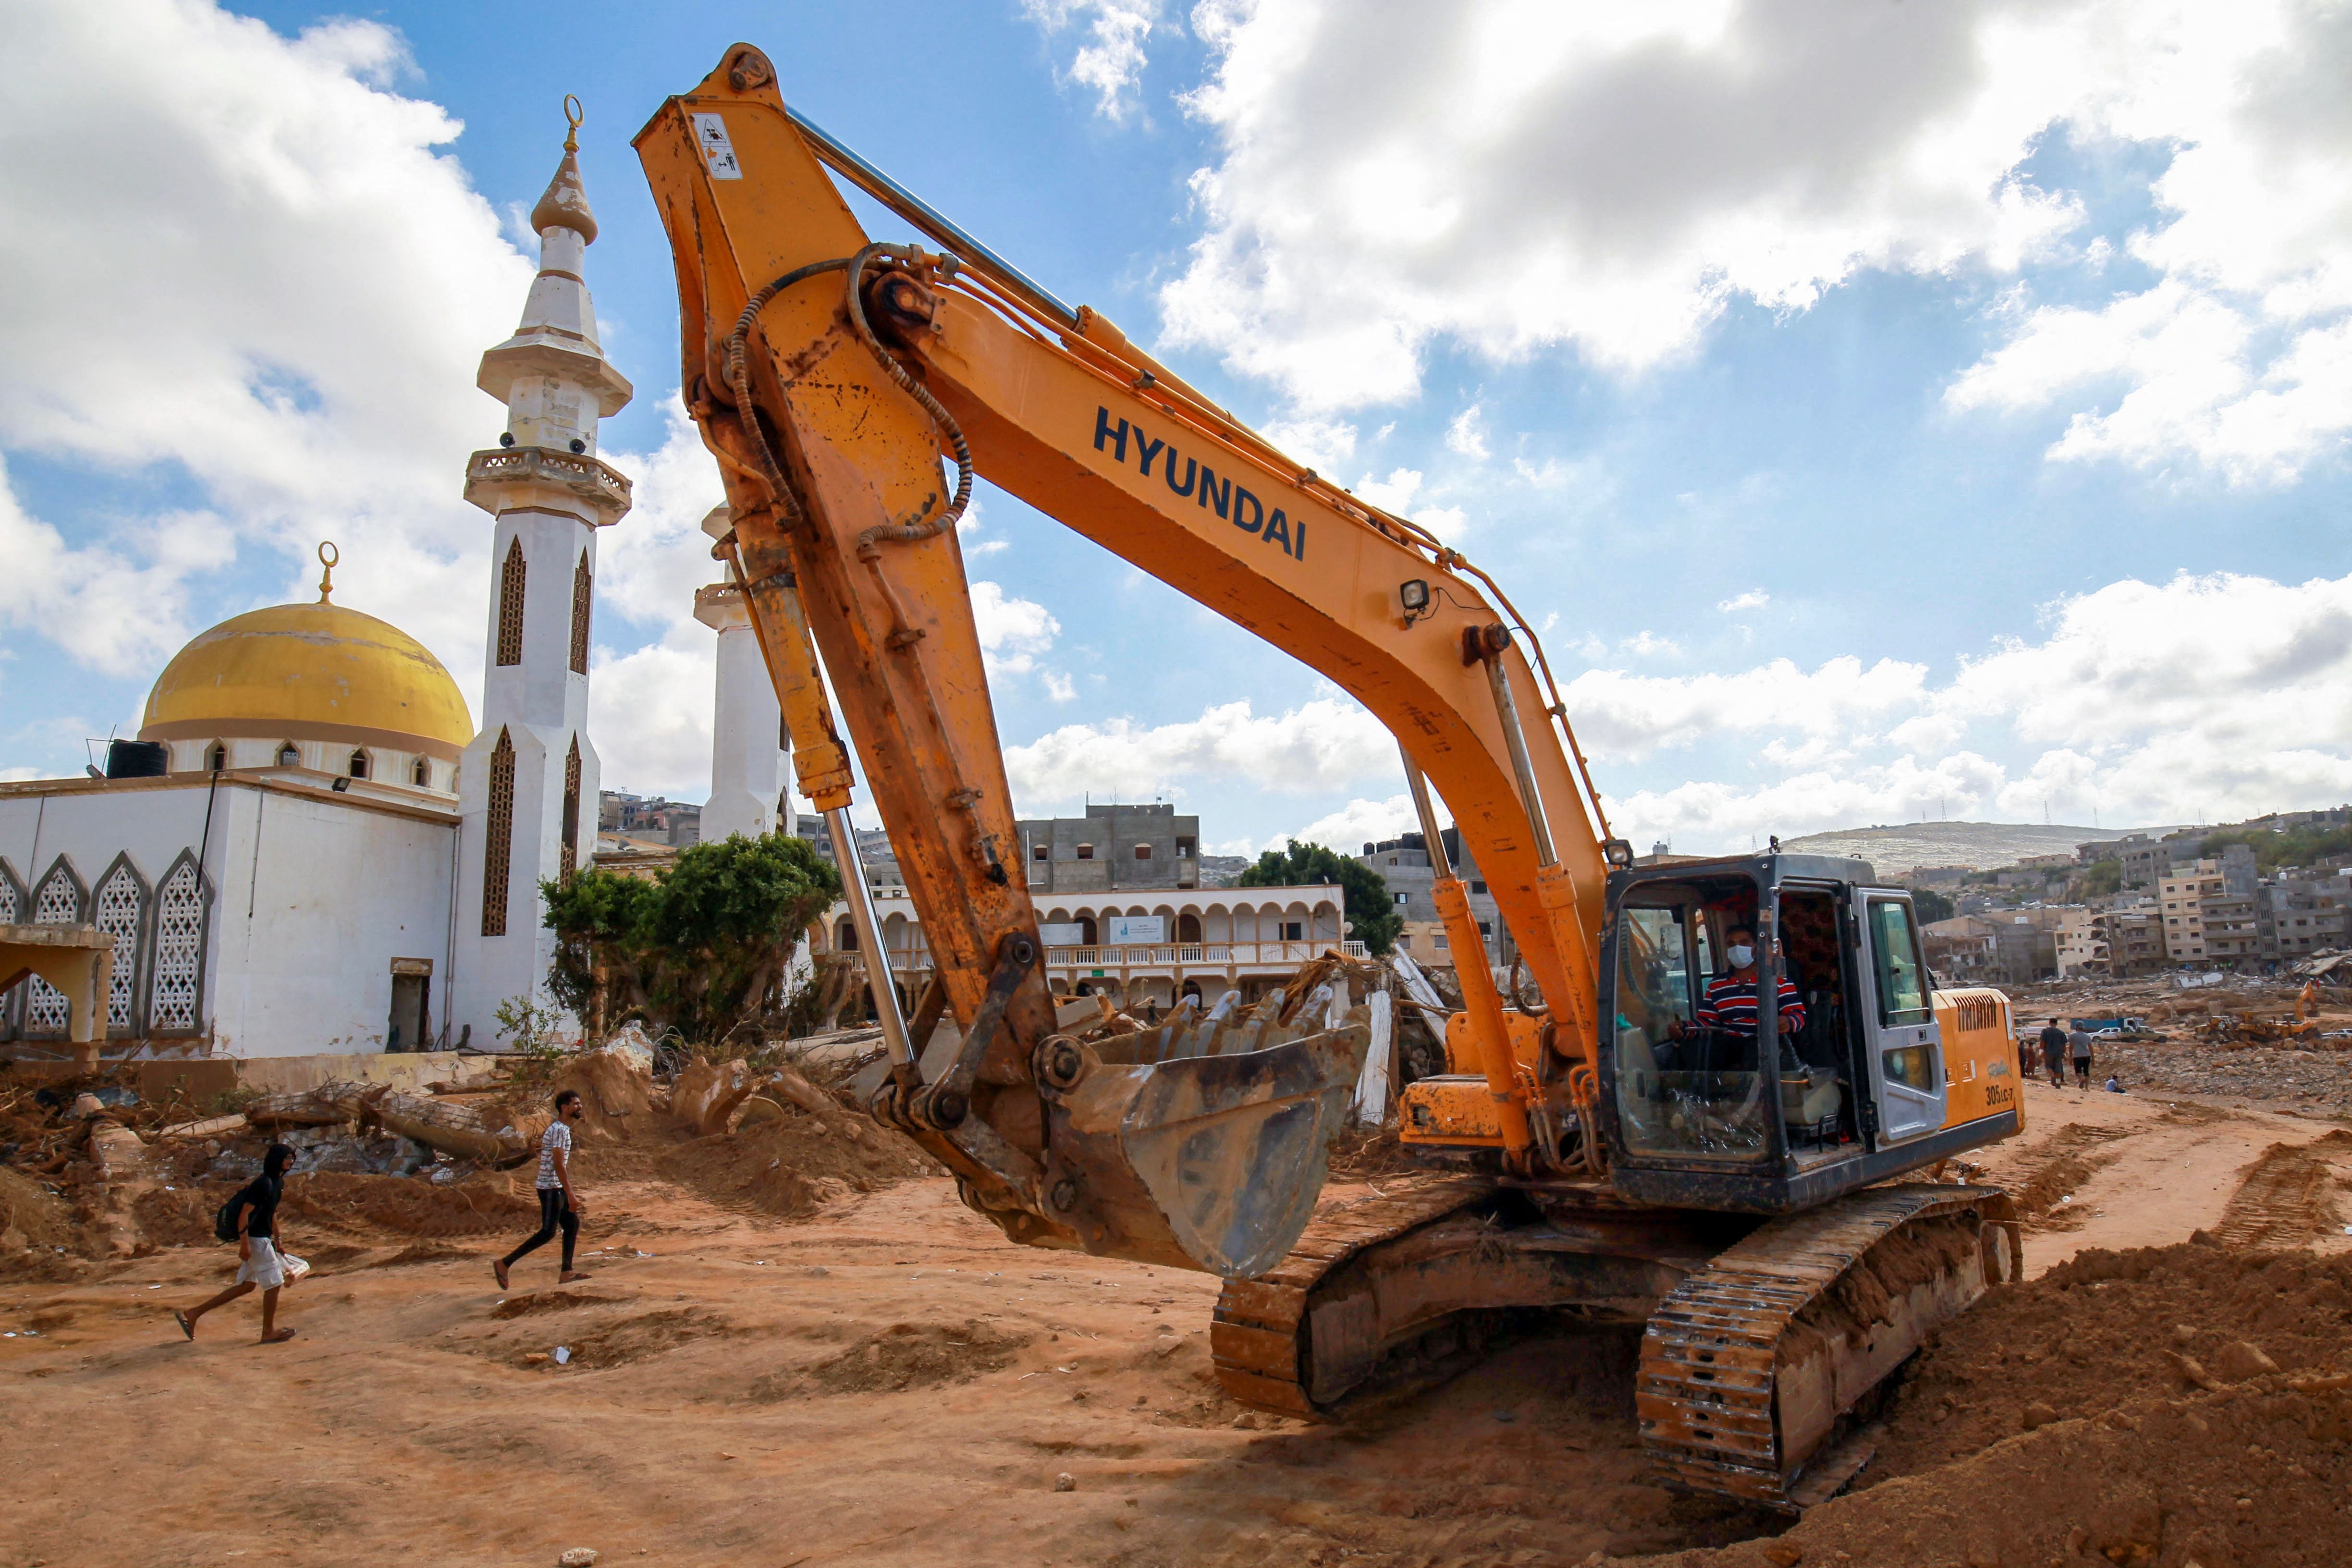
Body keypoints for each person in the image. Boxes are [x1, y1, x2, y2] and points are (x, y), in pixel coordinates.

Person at [174, 1142, 304, 1344]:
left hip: (262, 1240)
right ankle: (268, 1332)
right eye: (287, 1158)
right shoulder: (264, 1184)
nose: (291, 1161)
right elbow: (244, 1215)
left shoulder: (277, 1183)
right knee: (275, 1284)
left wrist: (278, 1240)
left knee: (246, 1286)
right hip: (255, 1240)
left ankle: (193, 1314)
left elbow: (271, 1213)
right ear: (276, 1159)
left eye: (292, 1158)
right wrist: (245, 1245)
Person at [1671, 925, 1805, 1074]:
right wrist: (1683, 1028)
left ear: (1756, 947)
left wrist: (1787, 1022)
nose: (1737, 948)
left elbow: (1798, 1014)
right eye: (1731, 944)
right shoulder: (1718, 984)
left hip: (1764, 1043)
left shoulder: (1777, 980)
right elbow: (1706, 1022)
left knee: (1755, 1054)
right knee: (1694, 1052)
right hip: (1729, 1043)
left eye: (1744, 942)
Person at [494, 1090, 590, 1290]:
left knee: (572, 1224)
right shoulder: (558, 1130)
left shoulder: (562, 1128)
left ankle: (566, 1272)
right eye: (575, 1104)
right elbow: (558, 1164)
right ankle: (505, 1264)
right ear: (564, 1108)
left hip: (556, 1187)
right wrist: (570, 1194)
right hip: (550, 1188)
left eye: (579, 1104)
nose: (579, 1107)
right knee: (548, 1232)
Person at [2036, 1018, 2066, 1085]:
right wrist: (2064, 1053)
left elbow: (2042, 1042)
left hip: (2048, 1052)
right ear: (2057, 1024)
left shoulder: (2045, 1031)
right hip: (2059, 1052)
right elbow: (2064, 1045)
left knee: (2048, 1066)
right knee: (2058, 1068)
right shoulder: (2061, 1033)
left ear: (2050, 1023)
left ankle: (2052, 1076)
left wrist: (2041, 1051)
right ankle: (2058, 1083)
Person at [2068, 1023, 2095, 1090]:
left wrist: (2070, 1057)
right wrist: (2093, 1059)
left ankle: (2081, 1078)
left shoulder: (2072, 1036)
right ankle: (2086, 1088)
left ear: (2076, 1028)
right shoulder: (2087, 1036)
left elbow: (2071, 1047)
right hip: (2087, 1055)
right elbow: (2091, 1048)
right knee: (2086, 1071)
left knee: (2078, 1071)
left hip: (2077, 1056)